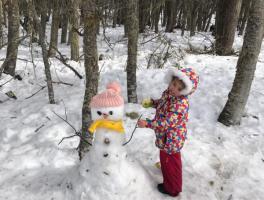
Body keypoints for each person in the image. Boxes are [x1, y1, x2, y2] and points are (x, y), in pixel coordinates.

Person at [138, 67, 199, 197]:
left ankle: (172, 189)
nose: (173, 88)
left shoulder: (180, 104)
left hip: (171, 139)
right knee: (166, 160)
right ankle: (167, 172)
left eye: (178, 88)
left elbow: (167, 123)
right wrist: (153, 103)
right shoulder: (169, 94)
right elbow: (163, 103)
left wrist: (148, 124)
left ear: (184, 91)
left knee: (171, 163)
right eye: (173, 84)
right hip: (165, 137)